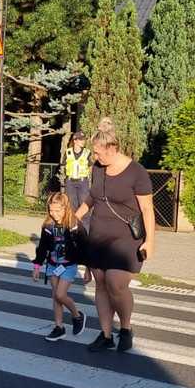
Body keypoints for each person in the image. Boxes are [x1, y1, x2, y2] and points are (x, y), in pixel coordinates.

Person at [75, 118, 156, 353]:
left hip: (125, 238)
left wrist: (150, 240)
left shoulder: (136, 172)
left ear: (112, 149)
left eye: (98, 153)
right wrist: (76, 215)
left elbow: (147, 210)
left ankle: (126, 328)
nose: (95, 157)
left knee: (116, 283)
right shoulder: (98, 169)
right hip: (99, 234)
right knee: (100, 282)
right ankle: (106, 334)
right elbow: (92, 197)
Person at [32, 191, 88, 342]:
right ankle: (59, 327)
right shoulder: (48, 226)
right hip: (53, 264)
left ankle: (77, 316)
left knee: (60, 295)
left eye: (57, 210)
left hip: (68, 265)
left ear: (66, 208)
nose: (54, 213)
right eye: (51, 210)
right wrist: (37, 266)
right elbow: (42, 248)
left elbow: (85, 247)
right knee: (55, 297)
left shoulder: (74, 225)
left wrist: (88, 269)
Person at [62, 130, 92, 218]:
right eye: (81, 139)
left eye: (84, 139)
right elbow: (64, 166)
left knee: (84, 207)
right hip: (70, 182)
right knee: (71, 207)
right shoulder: (68, 152)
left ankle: (85, 230)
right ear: (75, 140)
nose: (83, 141)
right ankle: (72, 228)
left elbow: (90, 167)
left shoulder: (87, 152)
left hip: (83, 183)